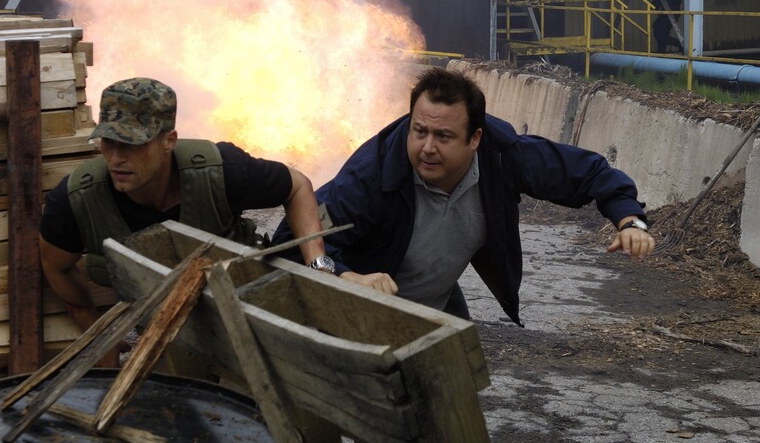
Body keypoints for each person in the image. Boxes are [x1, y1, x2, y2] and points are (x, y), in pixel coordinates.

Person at [272, 67, 655, 326]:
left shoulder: (503, 156)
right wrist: (344, 275)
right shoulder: (372, 176)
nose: (426, 148)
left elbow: (585, 171)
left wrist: (629, 219)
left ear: (475, 139)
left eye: (443, 137)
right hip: (355, 317)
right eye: (419, 131)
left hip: (434, 314)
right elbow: (293, 240)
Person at [40, 77, 331, 366]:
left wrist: (318, 268)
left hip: (244, 311)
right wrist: (102, 342)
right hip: (167, 332)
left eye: (131, 144)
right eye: (108, 142)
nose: (116, 158)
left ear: (169, 141)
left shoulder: (221, 171)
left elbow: (297, 186)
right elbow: (55, 266)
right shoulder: (77, 199)